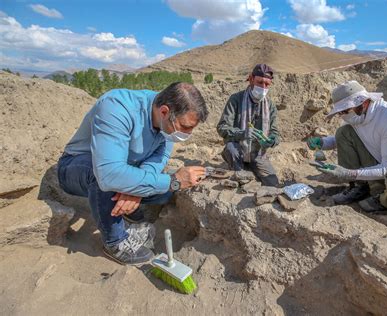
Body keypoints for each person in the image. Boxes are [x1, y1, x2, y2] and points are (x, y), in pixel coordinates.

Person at [57, 83, 208, 264]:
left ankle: (127, 212)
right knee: (105, 177)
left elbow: (157, 158)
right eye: (184, 127)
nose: (187, 134)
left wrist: (134, 190)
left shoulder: (165, 123)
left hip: (124, 169)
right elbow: (109, 173)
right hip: (78, 167)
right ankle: (115, 241)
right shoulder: (117, 107)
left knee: (163, 191)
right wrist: (173, 180)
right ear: (165, 112)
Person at [307, 80, 387, 212]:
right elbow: (343, 139)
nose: (342, 116)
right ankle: (359, 188)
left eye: (345, 110)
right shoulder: (358, 116)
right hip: (385, 170)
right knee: (344, 132)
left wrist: (348, 173)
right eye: (340, 112)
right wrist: (322, 143)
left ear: (363, 102)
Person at [216, 64, 281, 187]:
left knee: (273, 183)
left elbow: (275, 131)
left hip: (258, 153)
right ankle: (238, 168)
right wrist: (243, 133)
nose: (263, 87)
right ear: (251, 79)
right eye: (260, 82)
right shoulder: (236, 99)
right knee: (241, 179)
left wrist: (272, 140)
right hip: (237, 149)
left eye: (267, 84)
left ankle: (251, 165)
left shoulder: (270, 105)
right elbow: (222, 127)